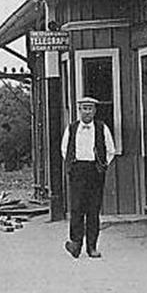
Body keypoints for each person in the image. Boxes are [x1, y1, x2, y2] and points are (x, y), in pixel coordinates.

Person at [60, 96, 118, 259]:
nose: (87, 112)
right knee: (77, 208)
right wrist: (72, 165)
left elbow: (111, 150)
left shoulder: (101, 128)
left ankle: (92, 247)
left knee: (93, 210)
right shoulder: (72, 128)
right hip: (78, 171)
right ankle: (76, 244)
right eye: (84, 108)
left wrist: (102, 165)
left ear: (95, 111)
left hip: (95, 171)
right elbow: (64, 149)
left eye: (90, 108)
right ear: (79, 111)